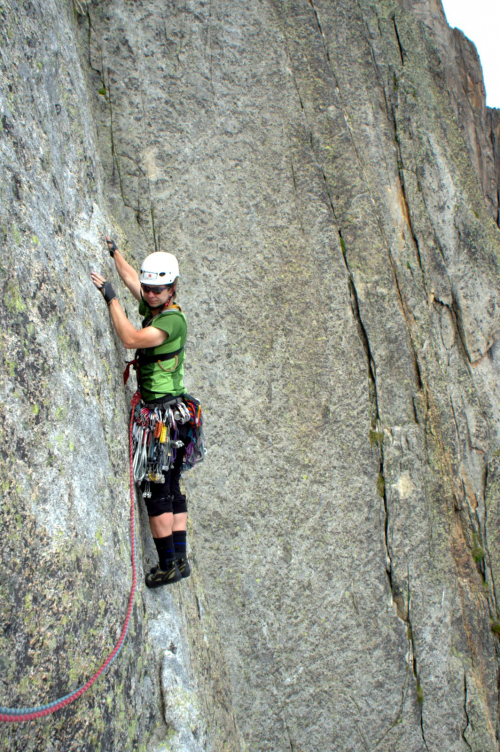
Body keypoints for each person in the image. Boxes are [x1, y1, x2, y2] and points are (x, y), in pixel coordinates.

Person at [91, 236, 192, 588]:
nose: (149, 294)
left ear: (172, 289)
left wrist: (111, 298)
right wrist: (115, 252)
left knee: (156, 490)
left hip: (162, 420)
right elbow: (134, 278)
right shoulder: (158, 306)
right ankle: (179, 560)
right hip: (177, 417)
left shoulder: (171, 322)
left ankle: (167, 564)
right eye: (149, 289)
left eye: (157, 290)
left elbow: (130, 338)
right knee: (172, 486)